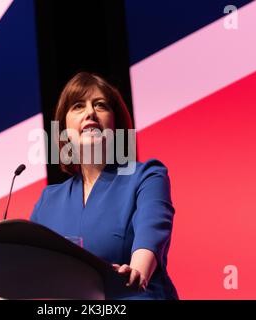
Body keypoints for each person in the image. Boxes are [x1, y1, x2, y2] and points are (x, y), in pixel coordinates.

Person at [30, 72, 178, 300]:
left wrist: (137, 271)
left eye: (100, 105)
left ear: (116, 123)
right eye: (78, 106)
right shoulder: (47, 200)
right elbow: (28, 268)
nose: (90, 112)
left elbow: (151, 234)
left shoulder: (147, 176)